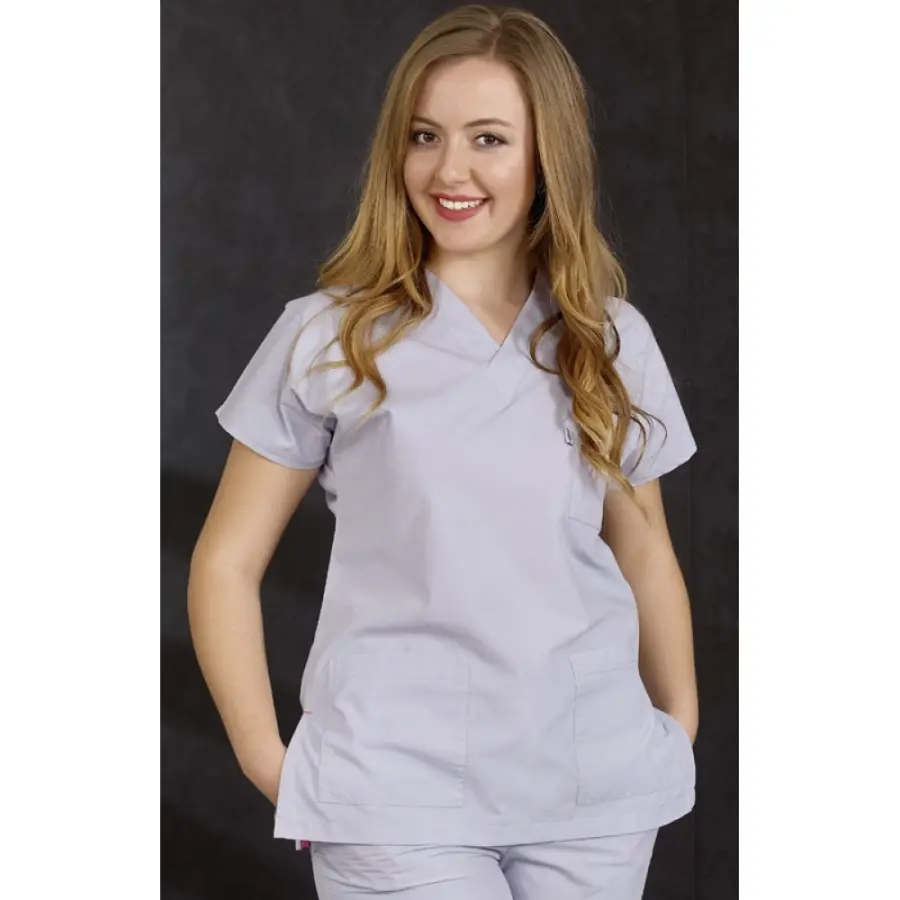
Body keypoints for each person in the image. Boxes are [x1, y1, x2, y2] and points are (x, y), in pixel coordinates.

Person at [187, 5, 699, 898]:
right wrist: (271, 761)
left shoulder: (609, 339)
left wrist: (677, 724)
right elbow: (225, 564)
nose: (449, 169)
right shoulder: (328, 338)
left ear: (548, 156)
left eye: (488, 138)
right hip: (392, 793)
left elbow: (645, 547)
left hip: (594, 788)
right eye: (425, 136)